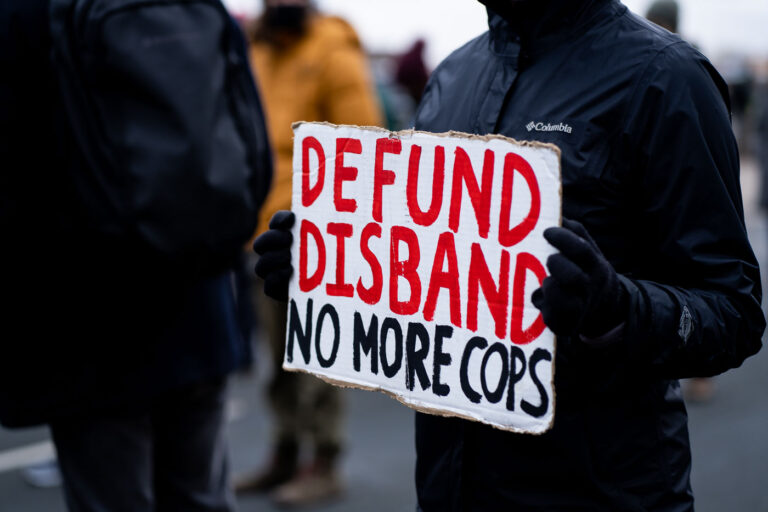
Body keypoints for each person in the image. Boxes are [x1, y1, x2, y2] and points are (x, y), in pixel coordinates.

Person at [253, 0, 765, 510]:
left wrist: (620, 308)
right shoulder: (451, 76)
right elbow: (425, 274)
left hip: (600, 491)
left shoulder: (668, 79)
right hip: (448, 485)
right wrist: (327, 268)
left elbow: (734, 311)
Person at [1, 1, 270, 511]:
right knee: (200, 495)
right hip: (202, 299)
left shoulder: (24, 14)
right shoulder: (196, 6)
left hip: (88, 322)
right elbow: (246, 139)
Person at [236, 0, 382, 506]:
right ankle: (283, 454)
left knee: (318, 358)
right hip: (261, 234)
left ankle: (324, 461)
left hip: (318, 241)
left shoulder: (332, 50)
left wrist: (339, 236)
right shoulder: (257, 51)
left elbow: (366, 149)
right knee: (276, 360)